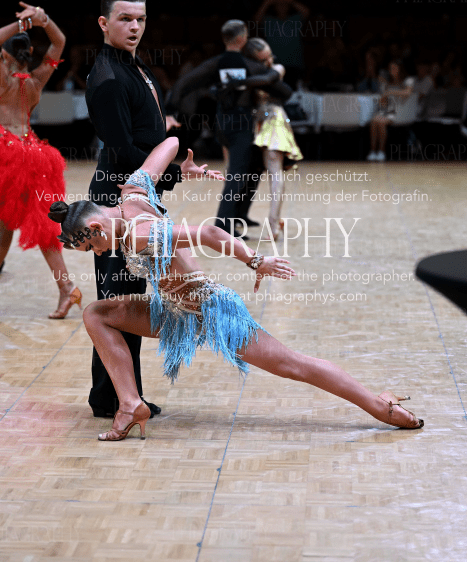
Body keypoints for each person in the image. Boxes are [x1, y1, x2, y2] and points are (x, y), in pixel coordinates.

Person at [49, 137, 424, 441]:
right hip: (174, 311)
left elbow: (210, 233)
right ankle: (131, 405)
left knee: (291, 364)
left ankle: (379, 406)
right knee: (96, 313)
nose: (99, 253)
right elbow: (171, 142)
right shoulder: (133, 192)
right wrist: (183, 169)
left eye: (92, 247)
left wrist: (256, 261)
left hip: (211, 312)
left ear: (95, 228)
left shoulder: (140, 234)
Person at [85, 0, 203, 419]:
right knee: (119, 304)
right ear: (104, 23)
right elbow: (121, 151)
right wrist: (169, 172)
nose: (134, 26)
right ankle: (113, 398)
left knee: (127, 301)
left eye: (140, 19)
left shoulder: (133, 66)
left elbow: (144, 136)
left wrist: (174, 170)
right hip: (116, 202)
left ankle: (113, 395)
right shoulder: (108, 78)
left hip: (136, 196)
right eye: (125, 19)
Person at [169, 20, 292, 236]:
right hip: (241, 125)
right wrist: (273, 73)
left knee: (250, 169)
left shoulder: (216, 63)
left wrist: (170, 110)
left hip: (221, 124)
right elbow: (284, 91)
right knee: (237, 174)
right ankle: (223, 225)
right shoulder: (249, 65)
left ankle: (239, 215)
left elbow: (184, 83)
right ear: (242, 38)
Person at [0, 2, 82, 318]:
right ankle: (67, 288)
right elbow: (60, 42)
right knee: (32, 228)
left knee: (7, 226)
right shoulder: (36, 80)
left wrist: (22, 24)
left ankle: (67, 289)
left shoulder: (3, 79)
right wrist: (43, 20)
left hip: (8, 156)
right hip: (34, 155)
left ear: (6, 55)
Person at [243, 38, 303, 240]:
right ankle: (245, 216)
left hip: (274, 119)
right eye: (263, 59)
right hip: (255, 122)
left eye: (270, 55)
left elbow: (268, 79)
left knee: (274, 171)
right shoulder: (250, 71)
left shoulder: (276, 69)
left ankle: (273, 222)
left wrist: (238, 81)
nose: (270, 60)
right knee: (252, 171)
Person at [253, 0, 309, 89]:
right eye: (279, 5)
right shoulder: (268, 20)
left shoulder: (295, 19)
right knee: (275, 93)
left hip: (294, 65)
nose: (282, 7)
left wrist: (292, 1)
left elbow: (306, 12)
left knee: (294, 93)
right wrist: (267, 2)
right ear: (275, 7)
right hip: (274, 65)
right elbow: (256, 20)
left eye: (284, 5)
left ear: (288, 7)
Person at [367, 59, 417, 162]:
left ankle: (382, 151)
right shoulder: (387, 83)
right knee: (373, 121)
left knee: (381, 122)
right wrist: (383, 97)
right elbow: (384, 103)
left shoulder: (408, 80)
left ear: (400, 69)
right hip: (388, 110)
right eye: (390, 68)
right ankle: (373, 151)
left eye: (394, 68)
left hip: (401, 112)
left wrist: (389, 92)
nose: (392, 70)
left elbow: (407, 92)